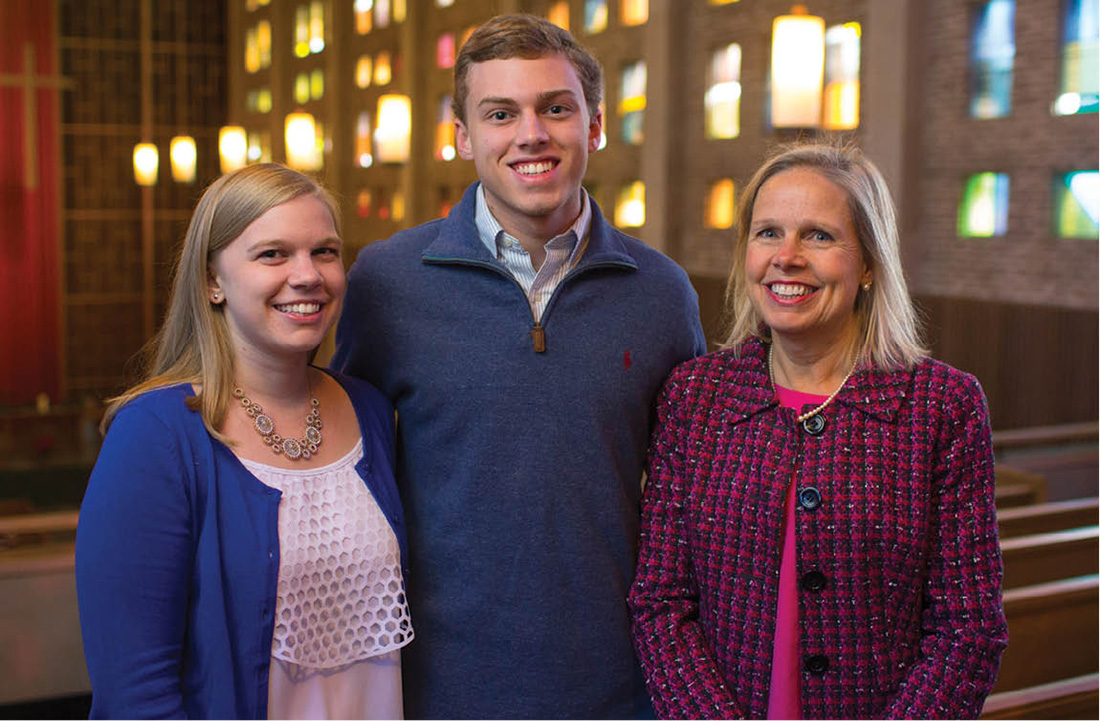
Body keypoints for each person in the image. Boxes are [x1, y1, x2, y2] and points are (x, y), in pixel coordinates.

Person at [331, 14, 705, 719]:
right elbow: (344, 477)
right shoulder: (386, 284)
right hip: (438, 691)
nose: (531, 133)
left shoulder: (661, 294)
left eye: (555, 108)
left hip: (622, 691)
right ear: (464, 137)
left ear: (594, 126)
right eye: (500, 113)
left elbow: (695, 502)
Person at [628, 143, 1008, 719]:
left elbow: (969, 629)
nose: (787, 257)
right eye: (768, 233)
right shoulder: (694, 397)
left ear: (870, 263)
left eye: (819, 236)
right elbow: (660, 604)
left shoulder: (941, 407)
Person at [75, 164, 412, 719]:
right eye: (273, 255)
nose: (307, 275)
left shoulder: (371, 410)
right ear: (212, 281)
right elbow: (136, 693)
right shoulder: (156, 435)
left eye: (324, 252)